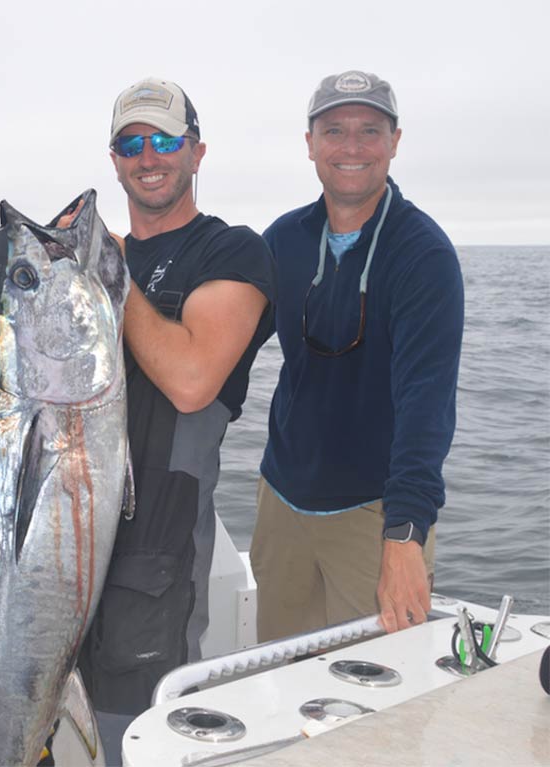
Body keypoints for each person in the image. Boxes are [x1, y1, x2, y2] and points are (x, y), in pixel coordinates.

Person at [76, 77, 276, 765]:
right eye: (131, 142)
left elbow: (193, 384)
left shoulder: (231, 252)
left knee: (134, 744)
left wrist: (111, 275)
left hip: (154, 571)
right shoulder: (84, 268)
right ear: (114, 159)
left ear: (197, 150)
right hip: (61, 554)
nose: (148, 155)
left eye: (165, 139)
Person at [251, 70, 464, 643]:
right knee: (271, 684)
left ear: (395, 142)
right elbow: (224, 356)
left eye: (370, 130)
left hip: (375, 516)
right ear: (310, 144)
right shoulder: (283, 239)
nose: (351, 147)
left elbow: (427, 405)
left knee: (377, 710)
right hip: (282, 505)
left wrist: (405, 536)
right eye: (334, 130)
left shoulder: (424, 255)